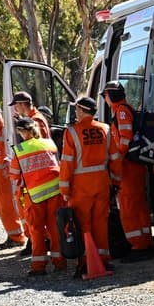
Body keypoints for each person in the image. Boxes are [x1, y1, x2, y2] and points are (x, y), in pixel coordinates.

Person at [59, 95, 113, 273]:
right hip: (102, 182)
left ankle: (86, 262)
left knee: (83, 224)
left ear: (82, 111)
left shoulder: (72, 132)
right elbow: (115, 158)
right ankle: (104, 258)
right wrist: (116, 181)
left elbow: (67, 162)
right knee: (101, 223)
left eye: (77, 110)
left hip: (81, 187)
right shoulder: (106, 128)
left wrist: (64, 188)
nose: (75, 113)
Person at [8, 117, 66, 276]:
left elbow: (14, 175)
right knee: (56, 229)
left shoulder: (20, 150)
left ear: (22, 132)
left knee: (37, 231)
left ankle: (39, 266)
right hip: (55, 192)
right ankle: (60, 262)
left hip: (35, 196)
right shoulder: (49, 143)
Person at [103, 81, 154, 258]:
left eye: (105, 96)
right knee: (138, 206)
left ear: (111, 96)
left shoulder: (121, 111)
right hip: (134, 166)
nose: (105, 99)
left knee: (128, 207)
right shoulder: (124, 109)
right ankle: (145, 241)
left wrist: (116, 160)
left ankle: (138, 245)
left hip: (127, 167)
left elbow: (124, 139)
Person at [0, 105, 25, 249]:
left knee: (8, 208)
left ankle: (17, 236)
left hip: (5, 177)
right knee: (2, 208)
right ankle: (12, 234)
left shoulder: (5, 131)